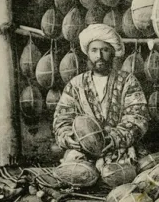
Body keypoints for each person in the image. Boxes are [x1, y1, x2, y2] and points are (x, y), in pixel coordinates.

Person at [53, 24, 150, 169]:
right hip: (84, 150)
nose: (99, 56)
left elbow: (138, 116)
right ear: (88, 53)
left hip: (120, 149)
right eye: (94, 50)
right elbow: (62, 118)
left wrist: (115, 139)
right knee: (76, 171)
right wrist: (68, 137)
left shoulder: (128, 81)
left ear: (112, 52)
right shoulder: (76, 84)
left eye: (104, 50)